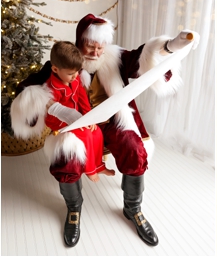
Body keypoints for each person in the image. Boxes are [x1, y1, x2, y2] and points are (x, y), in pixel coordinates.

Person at [11, 14, 199, 246]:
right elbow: (27, 90)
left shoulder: (115, 58)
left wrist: (173, 45)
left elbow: (144, 56)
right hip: (75, 125)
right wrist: (39, 100)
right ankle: (74, 208)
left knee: (133, 147)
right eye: (91, 46)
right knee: (65, 155)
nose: (95, 52)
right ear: (80, 42)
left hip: (113, 120)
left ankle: (133, 209)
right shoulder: (63, 63)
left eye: (100, 47)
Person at [40, 42, 114, 246]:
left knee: (96, 132)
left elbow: (83, 100)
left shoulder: (76, 79)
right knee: (80, 141)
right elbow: (51, 117)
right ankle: (88, 175)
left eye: (77, 72)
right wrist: (74, 121)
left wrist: (89, 118)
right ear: (55, 69)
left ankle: (98, 165)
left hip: (79, 120)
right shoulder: (49, 89)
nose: (75, 77)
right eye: (71, 73)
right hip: (61, 127)